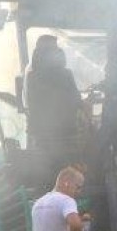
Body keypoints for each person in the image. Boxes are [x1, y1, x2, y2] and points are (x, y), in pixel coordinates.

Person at [24, 34, 88, 181]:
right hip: (67, 136)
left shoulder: (31, 76)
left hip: (41, 139)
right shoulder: (65, 75)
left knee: (47, 178)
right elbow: (75, 100)